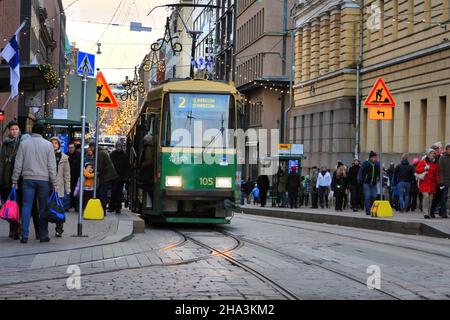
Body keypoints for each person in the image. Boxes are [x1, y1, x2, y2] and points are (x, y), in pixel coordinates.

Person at [12, 123, 57, 243]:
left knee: (26, 206)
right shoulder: (48, 145)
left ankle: (25, 235)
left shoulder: (24, 144)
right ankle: (43, 235)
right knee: (43, 208)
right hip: (44, 180)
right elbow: (52, 167)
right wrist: (55, 184)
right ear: (42, 132)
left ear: (32, 131)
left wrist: (14, 180)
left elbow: (18, 164)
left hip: (28, 179)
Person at [0, 121, 30, 239]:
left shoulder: (23, 143)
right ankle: (13, 228)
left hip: (20, 179)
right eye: (12, 129)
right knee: (10, 205)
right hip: (7, 179)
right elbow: (2, 162)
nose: (14, 131)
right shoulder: (6, 144)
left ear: (19, 130)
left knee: (20, 204)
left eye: (16, 129)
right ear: (9, 131)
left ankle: (19, 229)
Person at [49, 137, 71, 237]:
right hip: (47, 186)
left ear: (58, 145)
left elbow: (67, 175)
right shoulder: (46, 155)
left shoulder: (64, 158)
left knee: (59, 209)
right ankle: (44, 230)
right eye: (52, 143)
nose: (54, 144)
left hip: (59, 187)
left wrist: (68, 188)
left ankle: (59, 229)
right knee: (46, 208)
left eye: (55, 143)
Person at [89, 142, 118, 212]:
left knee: (102, 192)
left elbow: (99, 166)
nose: (90, 149)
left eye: (90, 148)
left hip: (106, 176)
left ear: (93, 147)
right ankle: (103, 208)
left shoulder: (99, 153)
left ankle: (103, 210)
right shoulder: (101, 152)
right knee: (103, 192)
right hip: (108, 175)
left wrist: (92, 171)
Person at [415, 149, 440, 219]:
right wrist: (424, 168)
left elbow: (436, 174)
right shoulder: (423, 161)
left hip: (432, 184)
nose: (432, 154)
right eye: (431, 153)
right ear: (428, 154)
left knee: (430, 199)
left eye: (433, 153)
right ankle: (425, 213)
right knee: (426, 197)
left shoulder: (436, 163)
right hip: (424, 183)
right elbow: (417, 170)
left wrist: (438, 183)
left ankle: (428, 213)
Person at [109, 141, 130, 214]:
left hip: (121, 177)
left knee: (119, 192)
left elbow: (127, 167)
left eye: (120, 146)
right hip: (114, 176)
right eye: (117, 146)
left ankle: (118, 207)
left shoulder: (125, 156)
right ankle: (112, 207)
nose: (118, 148)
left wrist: (126, 177)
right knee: (113, 192)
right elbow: (110, 166)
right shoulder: (112, 155)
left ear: (121, 147)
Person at [358, 151, 380, 216]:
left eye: (376, 157)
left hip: (373, 183)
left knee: (374, 196)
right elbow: (361, 171)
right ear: (371, 158)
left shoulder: (377, 164)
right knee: (367, 196)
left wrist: (379, 177)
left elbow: (379, 172)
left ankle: (371, 208)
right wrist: (361, 179)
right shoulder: (366, 163)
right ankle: (368, 210)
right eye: (374, 157)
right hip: (366, 183)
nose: (375, 158)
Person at [67, 142, 80, 211]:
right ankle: (68, 206)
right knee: (68, 192)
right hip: (68, 177)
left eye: (72, 147)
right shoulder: (66, 155)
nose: (71, 149)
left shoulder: (78, 155)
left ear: (74, 148)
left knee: (76, 192)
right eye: (69, 148)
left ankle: (76, 207)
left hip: (76, 176)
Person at [438, 144, 450, 219]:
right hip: (445, 180)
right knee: (444, 197)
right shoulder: (442, 158)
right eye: (448, 149)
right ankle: (443, 213)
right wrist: (442, 180)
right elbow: (440, 170)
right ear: (446, 150)